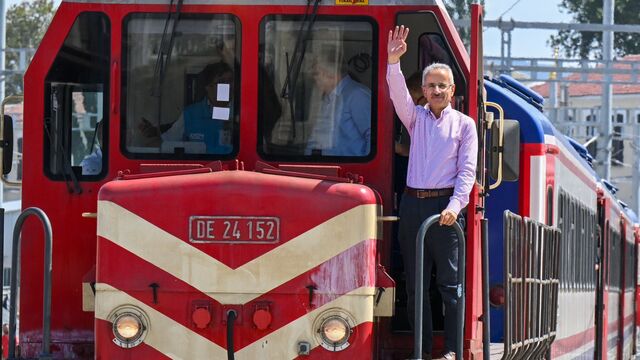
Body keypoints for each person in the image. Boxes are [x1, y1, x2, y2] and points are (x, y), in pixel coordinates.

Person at [387, 25, 478, 360]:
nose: (436, 90)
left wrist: (456, 206)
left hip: (446, 208)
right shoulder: (415, 119)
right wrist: (393, 62)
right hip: (413, 204)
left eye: (442, 85)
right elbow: (397, 94)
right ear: (423, 90)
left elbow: (467, 172)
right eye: (431, 85)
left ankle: (452, 351)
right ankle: (420, 351)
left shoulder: (465, 126)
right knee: (416, 286)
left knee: (451, 286)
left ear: (452, 91)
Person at [140, 61, 234, 154]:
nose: (228, 86)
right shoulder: (191, 114)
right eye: (222, 82)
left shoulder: (240, 112)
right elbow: (167, 141)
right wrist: (139, 152)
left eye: (230, 81)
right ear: (208, 86)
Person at [306, 49, 371, 156]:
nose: (314, 78)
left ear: (331, 74)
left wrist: (365, 170)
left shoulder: (357, 95)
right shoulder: (327, 98)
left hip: (348, 170)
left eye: (316, 73)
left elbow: (373, 137)